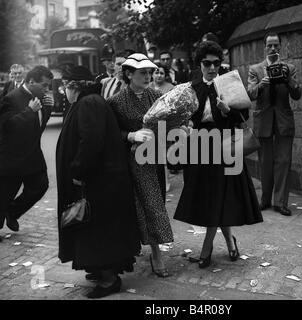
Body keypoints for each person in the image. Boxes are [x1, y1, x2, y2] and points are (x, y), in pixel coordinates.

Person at [174, 41, 263, 268]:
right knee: (213, 198)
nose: (212, 67)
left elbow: (243, 115)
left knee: (218, 196)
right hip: (199, 147)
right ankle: (230, 242)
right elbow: (184, 117)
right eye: (207, 63)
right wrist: (185, 126)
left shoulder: (230, 83)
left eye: (216, 63)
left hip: (224, 146)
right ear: (200, 64)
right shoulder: (191, 88)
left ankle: (206, 248)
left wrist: (227, 111)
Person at [56, 66, 141, 299]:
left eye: (65, 84)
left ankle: (109, 279)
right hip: (100, 181)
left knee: (98, 230)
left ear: (74, 85)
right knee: (94, 229)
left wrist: (78, 170)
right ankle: (98, 268)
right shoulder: (89, 102)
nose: (63, 90)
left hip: (98, 183)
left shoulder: (89, 103)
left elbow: (91, 142)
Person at [107, 53, 174, 277]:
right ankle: (129, 250)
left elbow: (168, 124)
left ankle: (156, 252)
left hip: (152, 161)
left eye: (149, 72)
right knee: (130, 208)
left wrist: (179, 128)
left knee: (154, 204)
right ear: (128, 74)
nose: (148, 77)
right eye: (142, 73)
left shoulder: (156, 96)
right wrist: (130, 135)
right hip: (127, 164)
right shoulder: (116, 102)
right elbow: (109, 132)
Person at [247, 32, 302, 217]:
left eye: (276, 45)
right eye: (269, 45)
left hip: (283, 120)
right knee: (265, 162)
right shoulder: (255, 69)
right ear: (264, 47)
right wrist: (261, 84)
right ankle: (265, 200)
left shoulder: (289, 68)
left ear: (280, 47)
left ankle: (280, 203)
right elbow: (250, 94)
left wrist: (288, 79)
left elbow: (297, 94)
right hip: (263, 120)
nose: (272, 49)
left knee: (284, 161)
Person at [0, 66, 54, 237]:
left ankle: (13, 212)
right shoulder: (11, 98)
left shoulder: (40, 97)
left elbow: (39, 125)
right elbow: (8, 126)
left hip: (32, 155)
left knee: (40, 185)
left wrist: (47, 109)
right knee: (4, 194)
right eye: (44, 85)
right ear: (31, 81)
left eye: (48, 86)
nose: (47, 90)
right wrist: (29, 111)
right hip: (12, 157)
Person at [150, 62, 175, 192]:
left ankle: (166, 182)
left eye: (161, 73)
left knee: (164, 155)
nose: (159, 75)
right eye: (156, 72)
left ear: (165, 75)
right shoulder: (147, 87)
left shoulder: (171, 88)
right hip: (150, 126)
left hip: (165, 125)